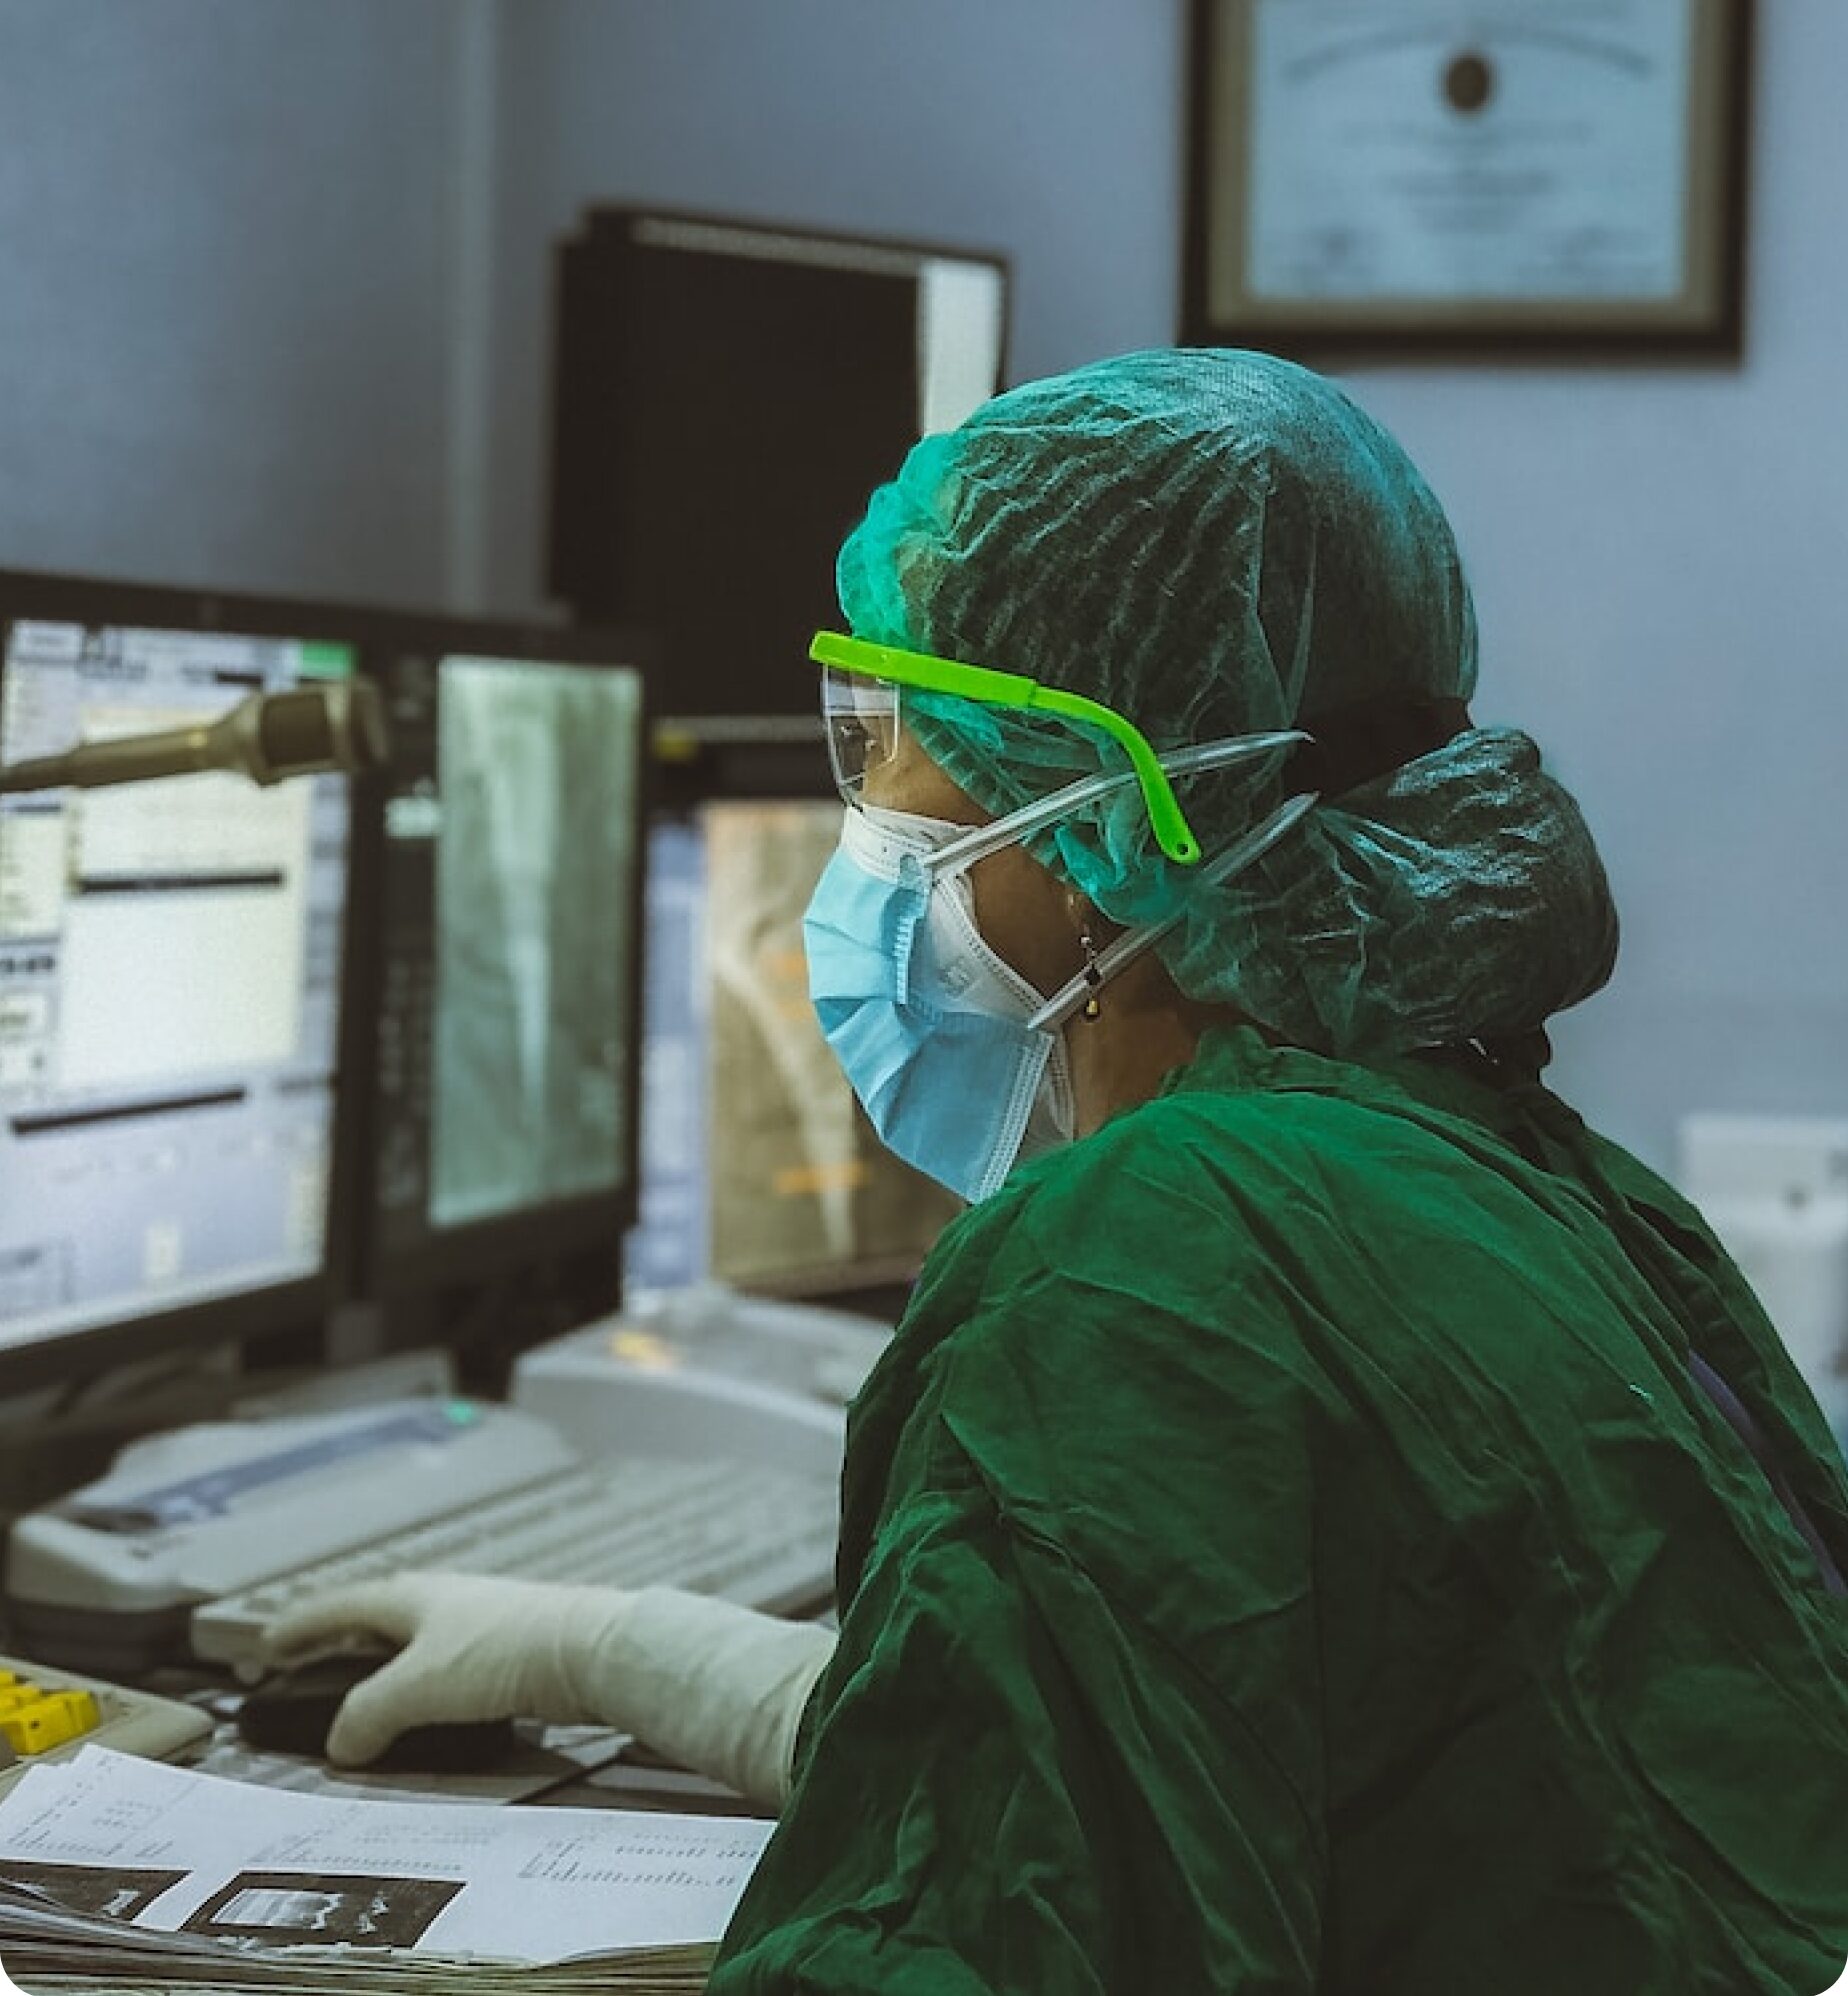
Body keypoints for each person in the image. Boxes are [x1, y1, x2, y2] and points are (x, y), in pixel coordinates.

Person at [265, 350, 1848, 1993]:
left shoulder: (1146, 1261)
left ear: (1103, 819)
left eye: (894, 737)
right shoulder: (1527, 1176)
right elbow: (1176, 1767)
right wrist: (613, 1646)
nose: (866, 810)